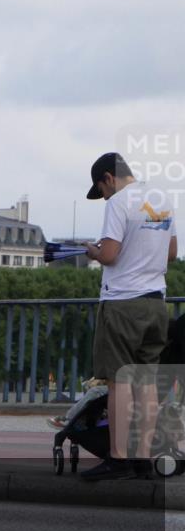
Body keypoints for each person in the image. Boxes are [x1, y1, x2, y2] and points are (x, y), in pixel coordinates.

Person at [80, 152, 177, 480]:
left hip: (122, 303)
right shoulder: (163, 200)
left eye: (101, 189)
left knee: (119, 381)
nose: (104, 196)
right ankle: (142, 458)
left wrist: (93, 251)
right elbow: (173, 252)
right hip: (156, 303)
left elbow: (109, 255)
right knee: (146, 381)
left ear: (109, 178)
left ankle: (118, 457)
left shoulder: (119, 203)